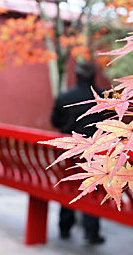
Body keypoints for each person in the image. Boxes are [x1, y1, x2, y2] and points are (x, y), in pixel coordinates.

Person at [50, 61, 105, 245]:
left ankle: (65, 226)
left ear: (77, 75)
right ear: (93, 76)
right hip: (95, 152)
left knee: (69, 187)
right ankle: (92, 231)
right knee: (93, 189)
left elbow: (55, 121)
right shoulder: (103, 99)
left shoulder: (65, 97)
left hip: (70, 152)